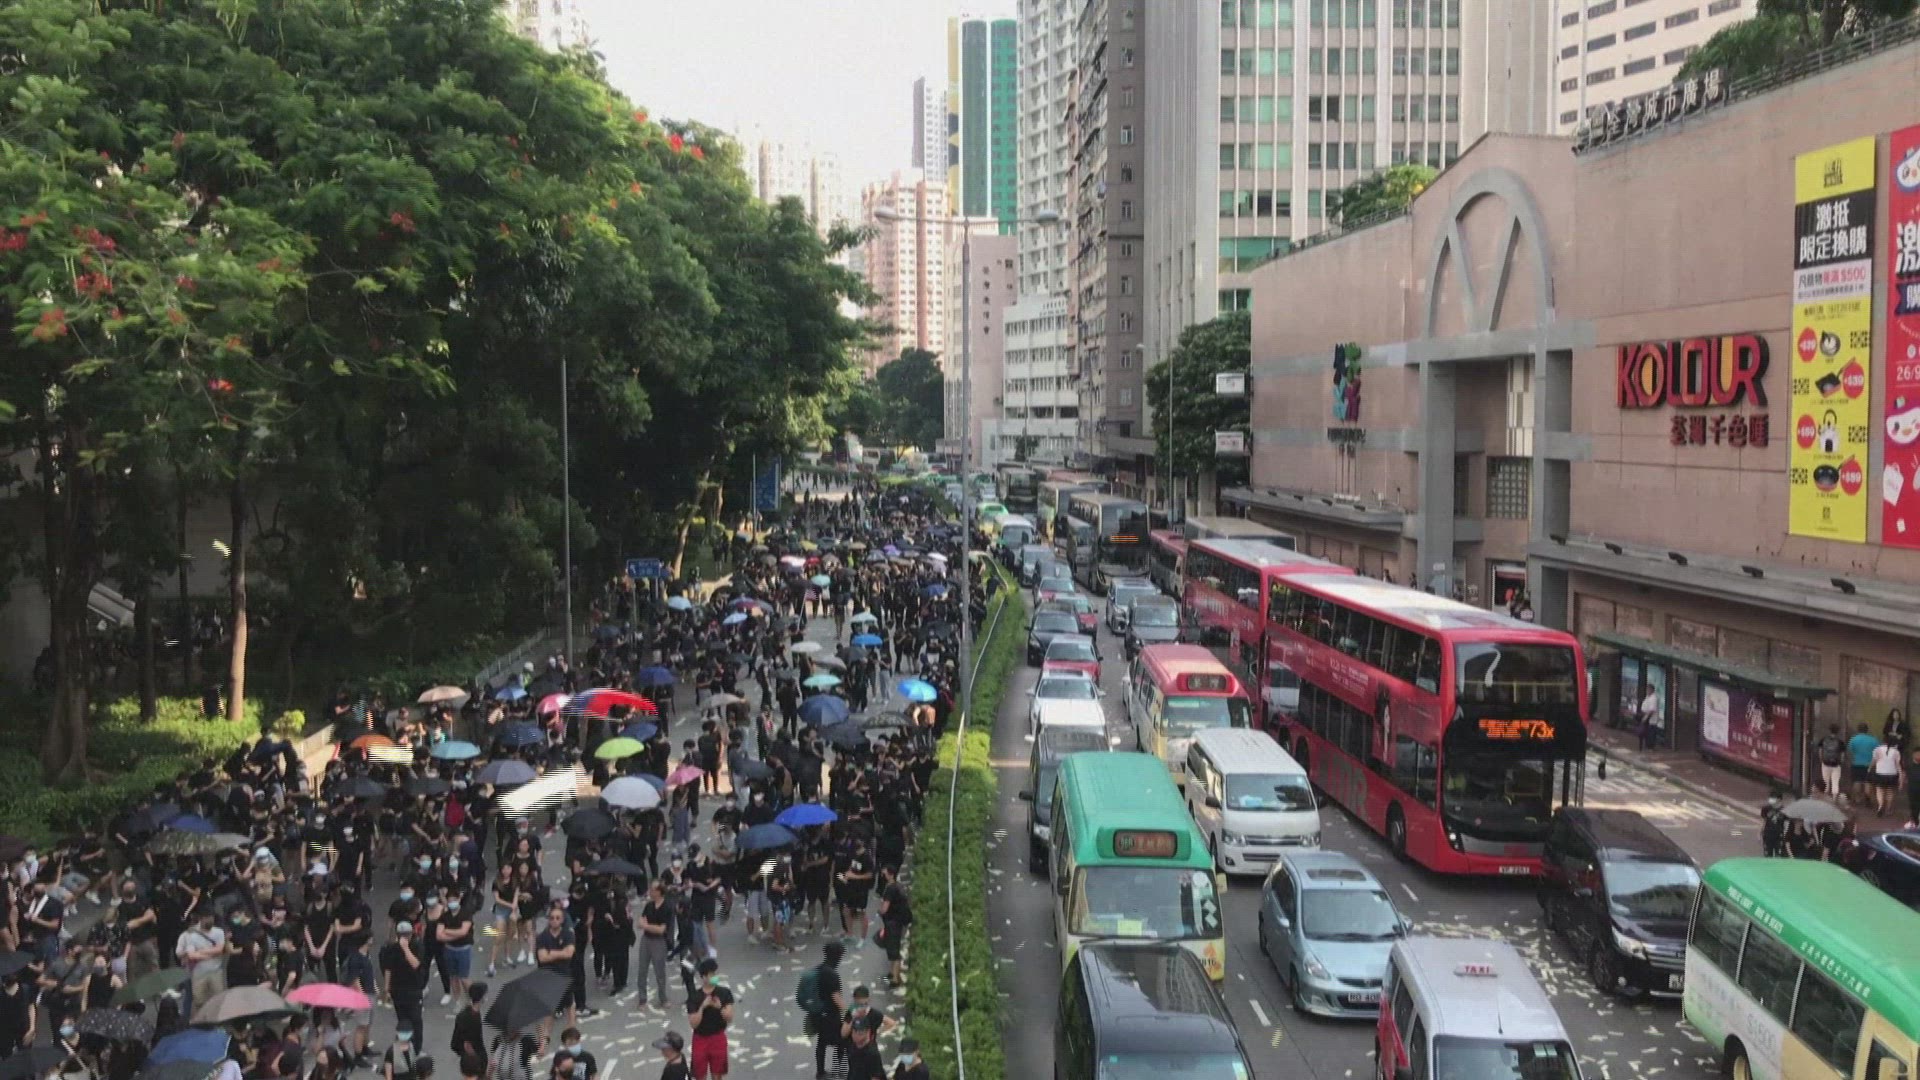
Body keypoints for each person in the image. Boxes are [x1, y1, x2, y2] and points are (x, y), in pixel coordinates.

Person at [176, 908, 229, 1015]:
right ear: (201, 919)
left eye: (212, 918)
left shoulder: (218, 932)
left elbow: (219, 949)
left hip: (215, 972)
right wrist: (212, 954)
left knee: (218, 999)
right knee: (199, 1001)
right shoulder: (191, 935)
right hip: (198, 973)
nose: (210, 920)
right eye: (207, 918)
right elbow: (192, 955)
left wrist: (200, 952)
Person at [804, 942, 845, 1080]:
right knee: (841, 1040)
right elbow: (835, 996)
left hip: (817, 1012)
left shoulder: (818, 970)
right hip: (830, 1014)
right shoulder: (832, 974)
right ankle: (838, 1069)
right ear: (836, 956)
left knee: (822, 1042)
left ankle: (820, 1071)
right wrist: (846, 1011)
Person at [686, 958, 732, 1080]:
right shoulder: (694, 997)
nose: (715, 977)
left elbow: (729, 1017)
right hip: (700, 1039)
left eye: (715, 973)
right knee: (700, 1075)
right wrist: (703, 1006)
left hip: (718, 1037)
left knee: (717, 1074)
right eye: (712, 974)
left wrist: (720, 1007)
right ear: (704, 977)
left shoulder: (724, 993)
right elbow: (693, 1024)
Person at [637, 880, 672, 1010]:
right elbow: (640, 921)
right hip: (646, 939)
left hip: (659, 941)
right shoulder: (649, 905)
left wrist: (646, 926)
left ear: (659, 892)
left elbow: (661, 930)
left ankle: (663, 998)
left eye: (652, 890)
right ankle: (642, 999)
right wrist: (648, 926)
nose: (650, 892)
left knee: (659, 971)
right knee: (642, 970)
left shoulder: (667, 907)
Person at [450, 982, 487, 1064]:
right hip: (473, 1056)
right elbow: (468, 1043)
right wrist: (474, 1059)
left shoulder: (467, 1012)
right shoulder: (472, 1017)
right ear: (481, 997)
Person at [1871, 734, 1905, 817]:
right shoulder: (1896, 752)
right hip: (1892, 774)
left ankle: (1880, 806)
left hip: (1880, 773)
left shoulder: (1877, 749)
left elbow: (1874, 761)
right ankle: (1888, 808)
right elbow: (1898, 765)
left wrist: (1870, 768)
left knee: (1880, 790)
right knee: (1889, 792)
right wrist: (1901, 777)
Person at [1849, 723, 1883, 807]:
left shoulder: (1853, 739)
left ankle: (1857, 799)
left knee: (1857, 781)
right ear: (1867, 730)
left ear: (1858, 729)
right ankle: (1867, 798)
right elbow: (1878, 752)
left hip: (1856, 763)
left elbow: (1850, 751)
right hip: (1869, 764)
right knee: (1868, 782)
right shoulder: (1873, 740)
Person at [1815, 724, 1847, 799]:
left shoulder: (1824, 739)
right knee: (1835, 781)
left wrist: (1822, 760)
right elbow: (1842, 755)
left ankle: (1825, 797)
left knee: (1825, 781)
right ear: (1838, 731)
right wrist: (1840, 762)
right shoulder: (1840, 741)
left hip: (1825, 763)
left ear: (1829, 730)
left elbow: (1820, 751)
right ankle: (1834, 798)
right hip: (1836, 764)